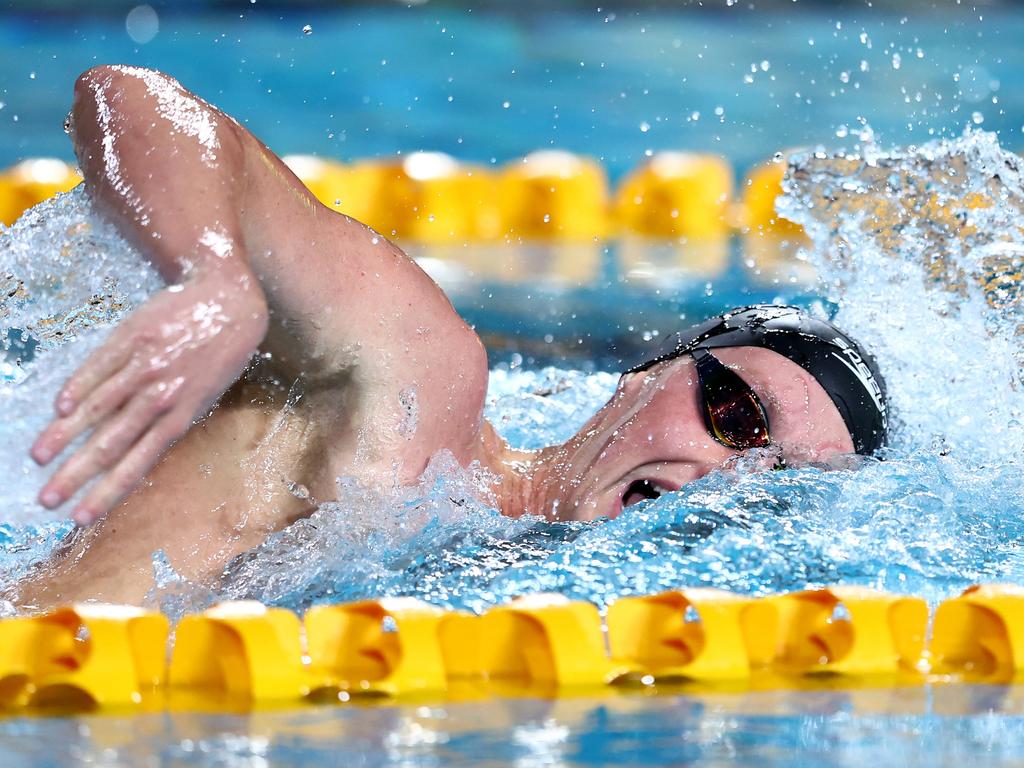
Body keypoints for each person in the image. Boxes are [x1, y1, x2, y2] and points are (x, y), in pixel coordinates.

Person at [12, 66, 887, 608]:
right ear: (643, 375)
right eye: (736, 415)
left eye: (783, 491)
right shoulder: (416, 400)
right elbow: (131, 97)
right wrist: (212, 273)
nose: (732, 479)